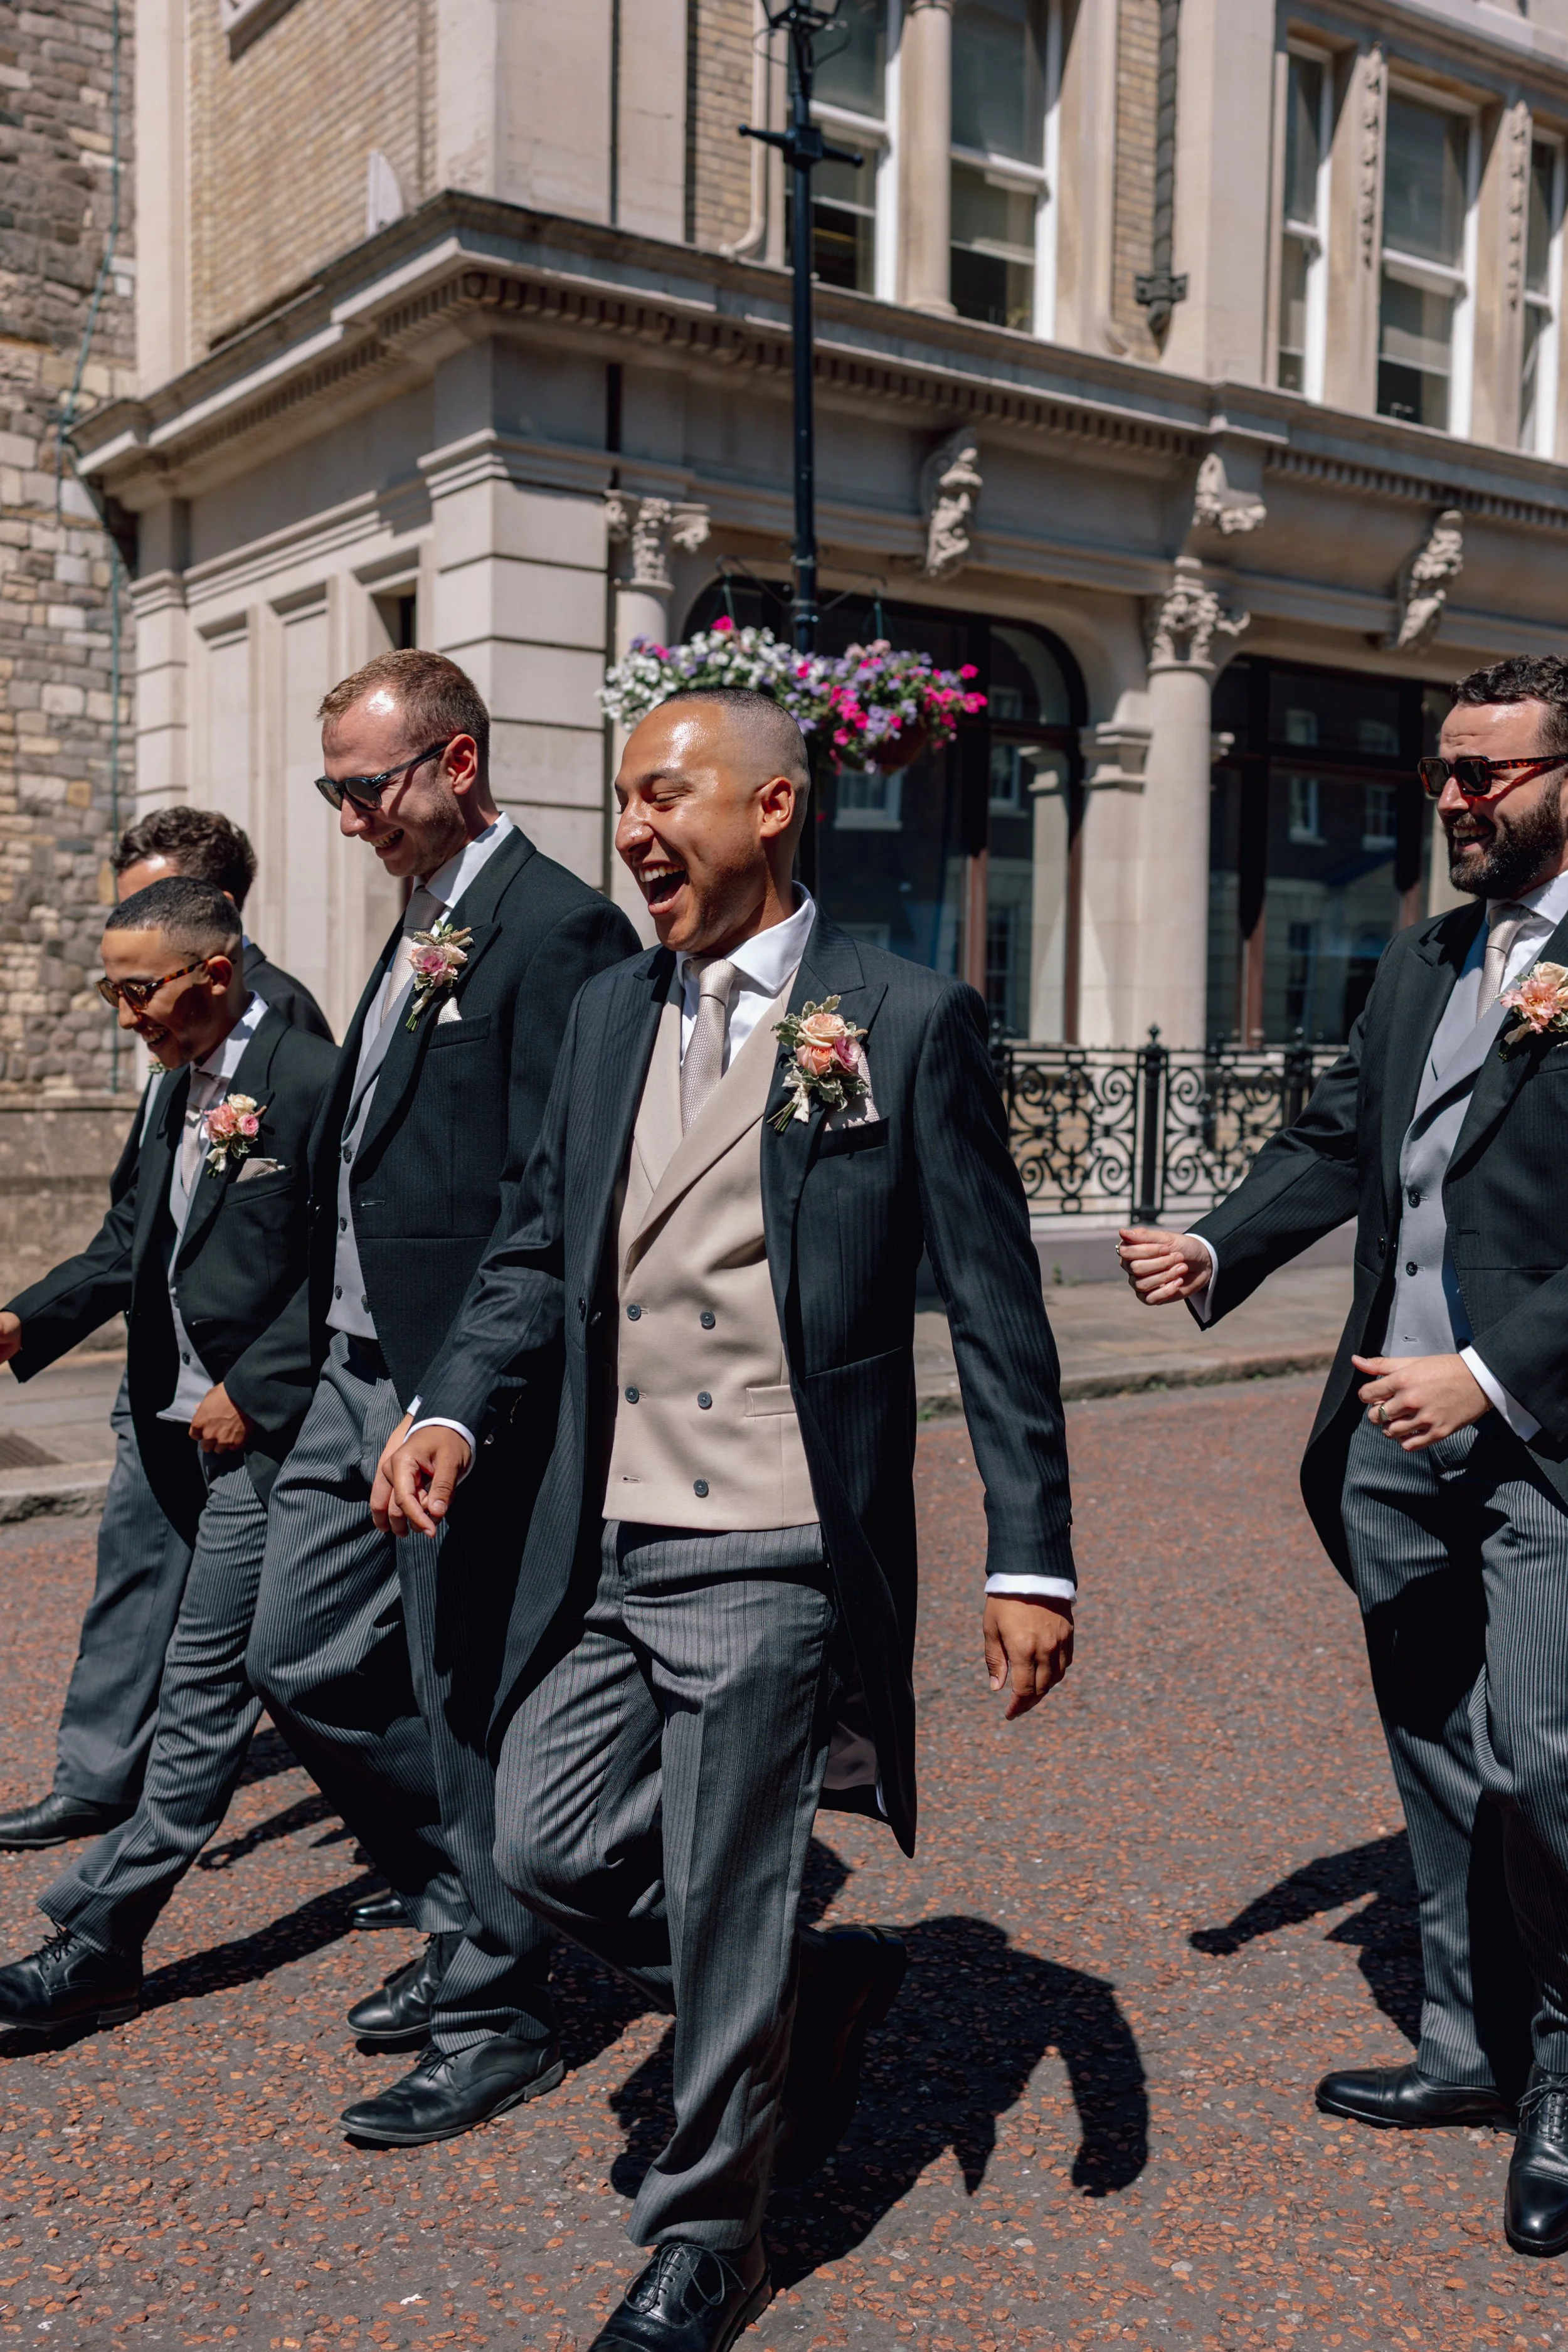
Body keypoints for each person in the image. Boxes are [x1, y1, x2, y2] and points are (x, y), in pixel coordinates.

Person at [382, 687, 1077, 2351]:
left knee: (727, 1888)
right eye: (622, 798)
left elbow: (996, 1310)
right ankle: (801, 1982)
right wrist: (452, 1403)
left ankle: (711, 2235)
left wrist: (1029, 1553)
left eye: (664, 795)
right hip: (605, 1522)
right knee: (543, 1840)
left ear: (772, 807)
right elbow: (537, 1241)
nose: (632, 829)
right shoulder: (607, 1010)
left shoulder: (902, 1015)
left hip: (774, 1533)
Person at [1119, 652, 1568, 2262]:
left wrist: (1487, 1375)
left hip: (1540, 1441)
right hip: (1387, 1436)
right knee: (1436, 1750)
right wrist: (1214, 1249)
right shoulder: (1427, 955)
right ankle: (1467, 2047)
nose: (1450, 798)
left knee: (1543, 1759)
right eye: (1440, 771)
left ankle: (1563, 2073)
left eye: (1483, 773)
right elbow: (1337, 1135)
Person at [244, 650, 638, 2148]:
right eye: (332, 792)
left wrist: (469, 1393)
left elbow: (551, 1194)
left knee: (456, 1689)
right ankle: (462, 1897)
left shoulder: (560, 927)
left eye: (364, 789)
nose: (347, 819)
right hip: (351, 1362)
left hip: (444, 1384)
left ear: (455, 763)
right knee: (295, 1656)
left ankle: (496, 2012)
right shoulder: (423, 911)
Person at [0, 877, 336, 2026]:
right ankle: (469, 1884)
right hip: (172, 1425)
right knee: (319, 1678)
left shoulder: (308, 1078)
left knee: (207, 1685)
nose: (125, 1013)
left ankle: (99, 1938)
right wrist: (26, 1319)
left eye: (139, 990)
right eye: (111, 992)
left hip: (268, 1436)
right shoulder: (167, 1087)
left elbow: (353, 1262)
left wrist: (260, 1382)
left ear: (216, 973)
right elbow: (127, 1243)